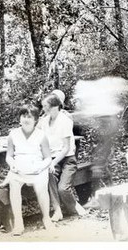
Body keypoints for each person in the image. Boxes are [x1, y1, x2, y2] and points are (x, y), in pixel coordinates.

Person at [37, 93, 86, 222]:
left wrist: (53, 162)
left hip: (67, 159)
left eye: (46, 106)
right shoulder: (45, 121)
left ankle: (74, 206)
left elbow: (65, 148)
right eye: (43, 106)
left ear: (55, 107)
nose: (43, 109)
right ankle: (57, 210)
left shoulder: (65, 121)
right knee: (48, 175)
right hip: (52, 158)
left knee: (63, 189)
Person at [6, 104, 53, 236]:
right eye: (23, 116)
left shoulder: (41, 135)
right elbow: (9, 156)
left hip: (37, 168)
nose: (26, 119)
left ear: (35, 120)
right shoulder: (13, 134)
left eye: (29, 117)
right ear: (19, 118)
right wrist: (12, 165)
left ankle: (46, 218)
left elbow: (48, 158)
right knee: (14, 184)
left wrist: (40, 168)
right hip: (19, 169)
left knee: (41, 187)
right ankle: (18, 222)